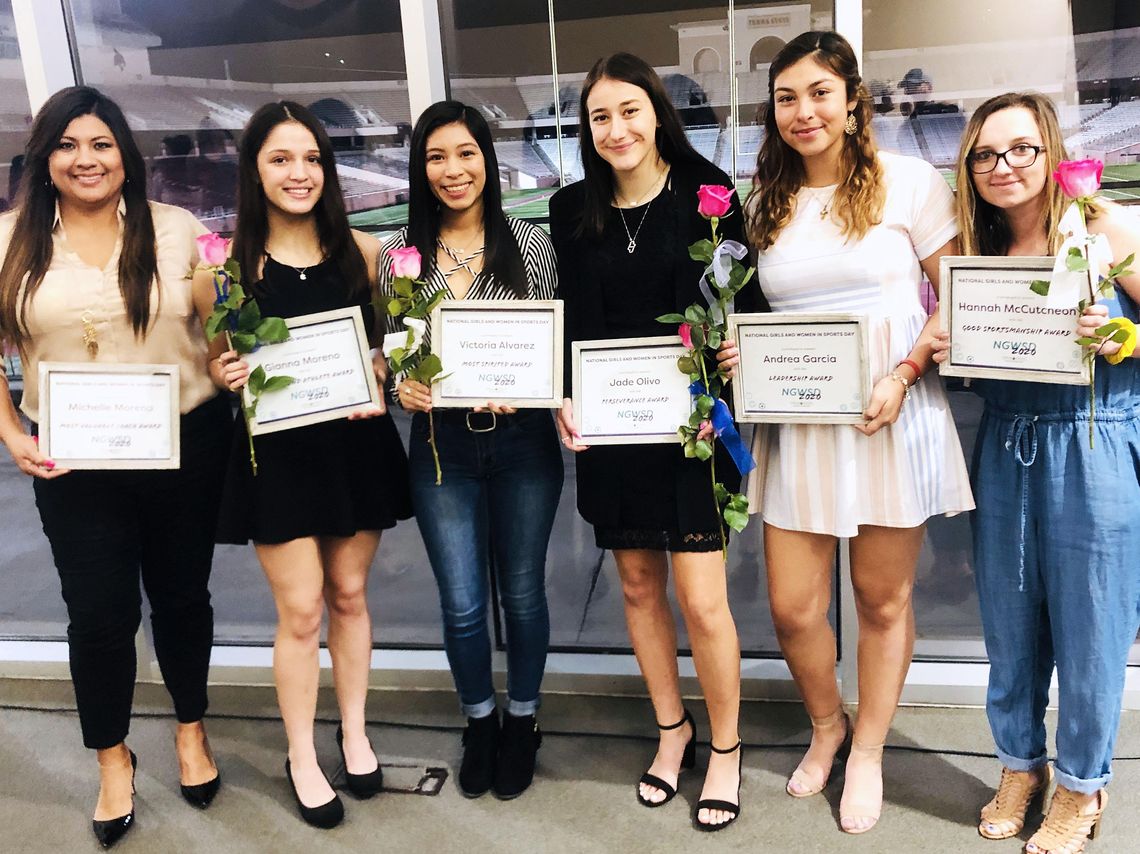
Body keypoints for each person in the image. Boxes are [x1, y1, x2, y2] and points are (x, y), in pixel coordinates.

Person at [731, 31, 973, 834]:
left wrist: (903, 373)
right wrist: (742, 350)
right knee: (794, 607)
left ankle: (868, 747)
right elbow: (759, 316)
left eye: (819, 93)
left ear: (851, 99)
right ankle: (828, 725)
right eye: (787, 98)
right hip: (800, 422)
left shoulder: (909, 183)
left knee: (880, 596)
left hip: (887, 410)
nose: (804, 112)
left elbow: (960, 303)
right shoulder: (764, 200)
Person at [0, 86, 229, 848]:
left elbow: (222, 329)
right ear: (45, 159)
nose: (85, 159)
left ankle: (191, 732)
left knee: (181, 600)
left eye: (100, 143)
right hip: (74, 462)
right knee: (98, 616)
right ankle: (112, 757)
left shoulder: (176, 231)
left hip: (182, 448)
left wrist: (239, 362)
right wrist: (10, 432)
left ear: (124, 156)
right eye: (67, 145)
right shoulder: (9, 240)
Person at [550, 52, 764, 832]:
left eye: (629, 110)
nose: (616, 129)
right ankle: (672, 732)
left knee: (703, 601)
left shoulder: (711, 200)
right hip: (615, 428)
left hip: (693, 430)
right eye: (600, 117)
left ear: (657, 113)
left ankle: (728, 748)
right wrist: (563, 399)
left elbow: (748, 304)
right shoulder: (573, 209)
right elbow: (571, 326)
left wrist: (741, 347)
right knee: (638, 589)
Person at [194, 100, 412, 829]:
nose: (299, 173)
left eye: (312, 158)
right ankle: (300, 753)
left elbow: (388, 350)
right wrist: (224, 373)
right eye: (281, 159)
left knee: (349, 596)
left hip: (353, 449)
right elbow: (217, 358)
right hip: (277, 458)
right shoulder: (226, 271)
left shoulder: (366, 253)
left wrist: (381, 369)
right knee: (301, 610)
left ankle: (353, 731)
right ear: (254, 170)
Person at [932, 92, 1140, 853]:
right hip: (1008, 444)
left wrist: (1126, 335)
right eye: (986, 154)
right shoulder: (974, 255)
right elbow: (955, 355)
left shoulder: (1104, 229)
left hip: (1094, 443)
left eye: (1021, 148)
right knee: (1011, 625)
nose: (1003, 166)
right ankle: (1021, 766)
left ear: (1051, 152)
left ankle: (1083, 783)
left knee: (1091, 627)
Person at [379, 100, 562, 801]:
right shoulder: (402, 254)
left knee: (521, 593)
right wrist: (405, 386)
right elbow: (397, 352)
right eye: (436, 157)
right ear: (421, 168)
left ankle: (523, 720)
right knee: (460, 604)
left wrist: (531, 387)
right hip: (438, 450)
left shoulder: (532, 244)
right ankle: (479, 721)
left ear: (488, 158)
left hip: (522, 444)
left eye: (465, 153)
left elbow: (551, 351)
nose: (453, 170)